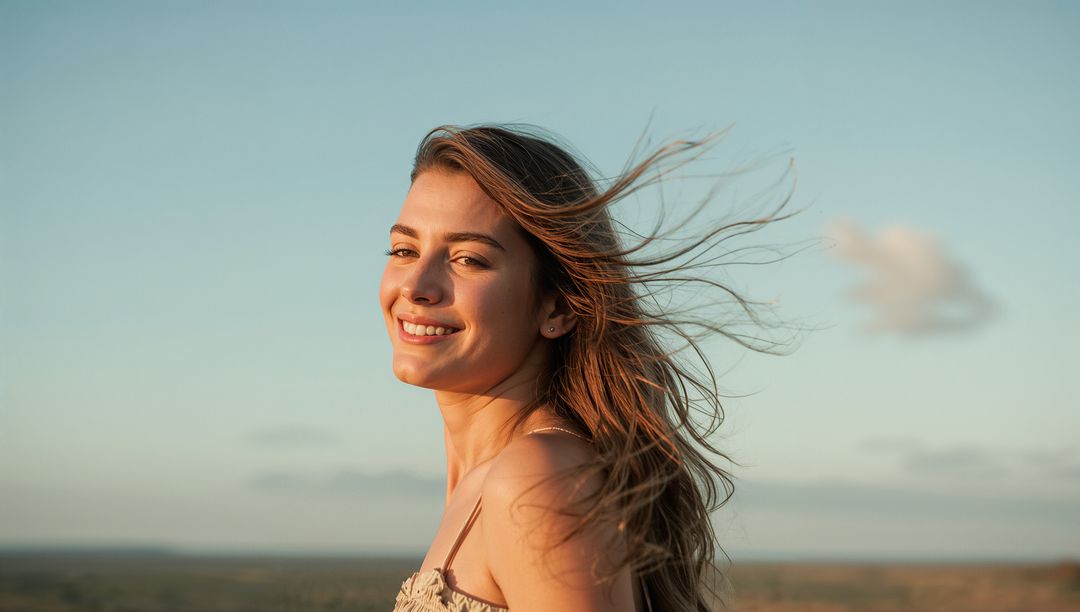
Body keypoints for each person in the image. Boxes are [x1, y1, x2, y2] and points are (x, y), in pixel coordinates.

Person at [384, 123, 801, 611]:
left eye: (468, 259)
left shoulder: (535, 479)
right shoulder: (495, 479)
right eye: (404, 250)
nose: (416, 285)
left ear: (557, 307)